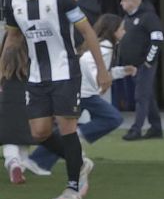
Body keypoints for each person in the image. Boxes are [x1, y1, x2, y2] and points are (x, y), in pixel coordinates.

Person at [1, 0, 107, 199]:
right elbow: (13, 39)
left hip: (65, 72)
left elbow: (88, 32)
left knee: (68, 127)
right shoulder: (13, 2)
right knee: (39, 133)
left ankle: (72, 188)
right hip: (36, 76)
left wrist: (102, 70)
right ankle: (80, 163)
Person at [19, 13, 122, 180]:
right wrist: (97, 79)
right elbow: (87, 63)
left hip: (79, 91)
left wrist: (122, 72)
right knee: (113, 118)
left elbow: (100, 69)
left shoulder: (105, 46)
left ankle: (38, 161)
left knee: (66, 129)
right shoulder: (106, 47)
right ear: (113, 30)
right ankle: (79, 136)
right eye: (122, 28)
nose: (124, 31)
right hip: (84, 93)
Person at [117, 0, 164, 141]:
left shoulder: (149, 17)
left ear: (134, 2)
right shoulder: (127, 18)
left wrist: (149, 61)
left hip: (144, 64)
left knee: (141, 96)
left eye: (124, 0)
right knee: (147, 96)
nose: (121, 3)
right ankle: (156, 128)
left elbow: (157, 40)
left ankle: (136, 129)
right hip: (131, 65)